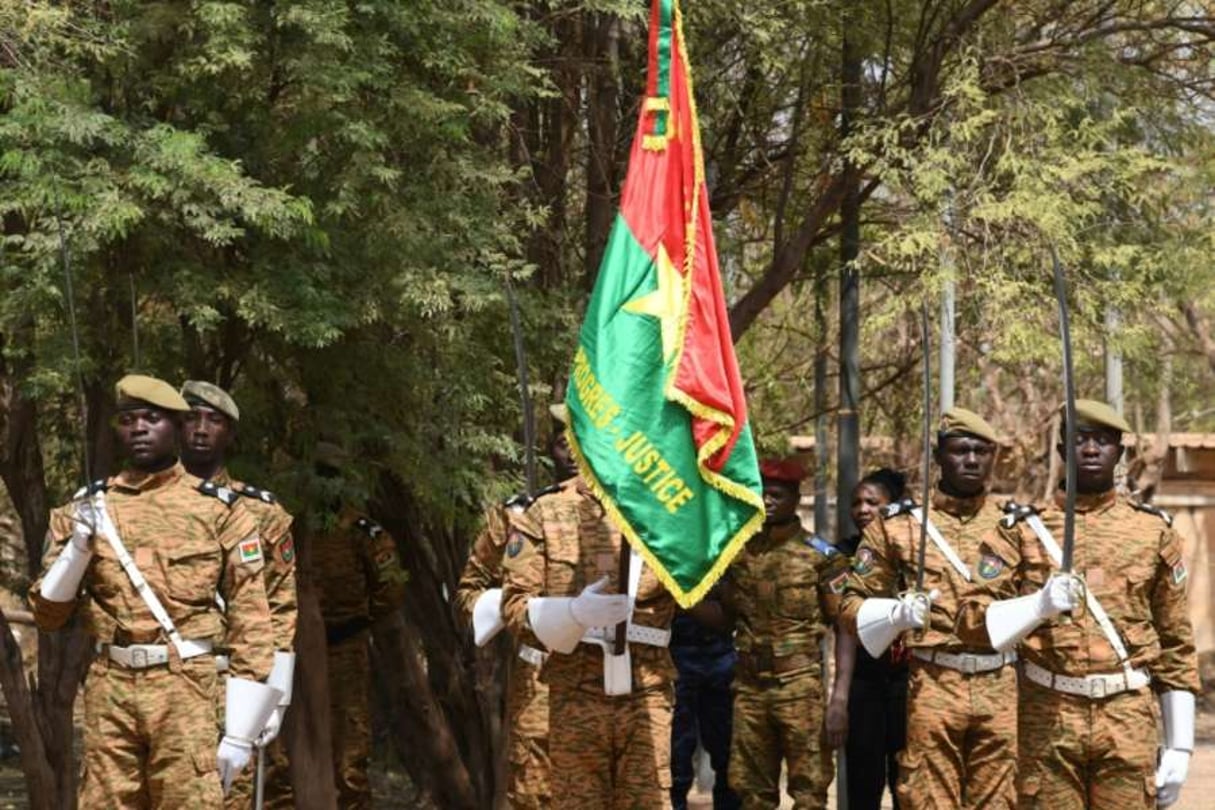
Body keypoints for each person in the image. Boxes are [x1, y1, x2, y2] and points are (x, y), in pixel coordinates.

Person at [29, 374, 278, 807]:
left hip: (188, 690)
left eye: (152, 418)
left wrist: (240, 732)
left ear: (178, 428)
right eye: (128, 420)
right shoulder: (88, 508)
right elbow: (48, 614)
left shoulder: (218, 511)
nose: (139, 428)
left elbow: (252, 619)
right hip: (111, 690)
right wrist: (78, 550)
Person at [980, 400, 1199, 809]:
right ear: (1063, 451)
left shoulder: (1152, 532)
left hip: (1127, 716)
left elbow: (1175, 643)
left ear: (1120, 453)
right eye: (1080, 440)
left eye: (1103, 440)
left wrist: (1181, 746)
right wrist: (1037, 606)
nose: (1092, 449)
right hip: (1047, 715)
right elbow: (979, 625)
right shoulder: (1022, 531)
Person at [840, 407, 1019, 808]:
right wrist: (894, 616)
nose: (971, 460)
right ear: (938, 457)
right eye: (959, 450)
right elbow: (851, 605)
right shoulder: (899, 525)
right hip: (932, 685)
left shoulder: (1018, 527)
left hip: (1002, 687)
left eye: (981, 451)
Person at [500, 455, 676, 809]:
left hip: (645, 694)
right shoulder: (544, 513)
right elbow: (514, 607)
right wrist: (570, 613)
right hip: (575, 696)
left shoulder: (669, 512)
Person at [179, 380, 299, 809]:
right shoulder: (133, 502)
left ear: (229, 434)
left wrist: (276, 697)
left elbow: (281, 603)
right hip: (159, 677)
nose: (200, 429)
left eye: (213, 421)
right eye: (191, 417)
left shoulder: (262, 512)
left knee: (228, 797)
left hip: (232, 681)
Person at [454, 403, 578, 809]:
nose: (573, 454)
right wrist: (504, 609)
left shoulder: (623, 518)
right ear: (549, 451)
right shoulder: (515, 516)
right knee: (533, 794)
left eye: (581, 442)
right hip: (538, 679)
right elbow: (467, 594)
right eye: (563, 444)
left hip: (606, 682)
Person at [723, 458, 849, 809]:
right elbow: (724, 615)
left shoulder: (821, 557)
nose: (768, 500)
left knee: (809, 792)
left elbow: (845, 626)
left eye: (777, 493)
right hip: (748, 687)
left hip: (800, 687)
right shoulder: (738, 552)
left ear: (796, 497)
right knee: (750, 792)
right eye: (762, 492)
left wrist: (838, 698)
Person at [310, 441, 408, 809]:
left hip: (346, 649)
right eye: (320, 475)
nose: (326, 485)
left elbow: (393, 585)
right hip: (297, 651)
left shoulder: (363, 531)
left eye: (332, 476)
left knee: (350, 759)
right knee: (284, 756)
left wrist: (361, 619)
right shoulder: (292, 526)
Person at [826, 468, 908, 810]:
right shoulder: (840, 556)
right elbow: (845, 625)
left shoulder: (916, 551)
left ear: (892, 506)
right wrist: (839, 699)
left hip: (910, 681)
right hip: (865, 680)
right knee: (863, 783)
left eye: (872, 502)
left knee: (910, 783)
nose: (863, 509)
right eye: (856, 502)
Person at [668, 585, 740, 810]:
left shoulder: (720, 551)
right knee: (674, 759)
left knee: (730, 758)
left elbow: (728, 615)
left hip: (720, 659)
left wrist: (686, 600)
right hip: (672, 655)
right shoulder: (660, 553)